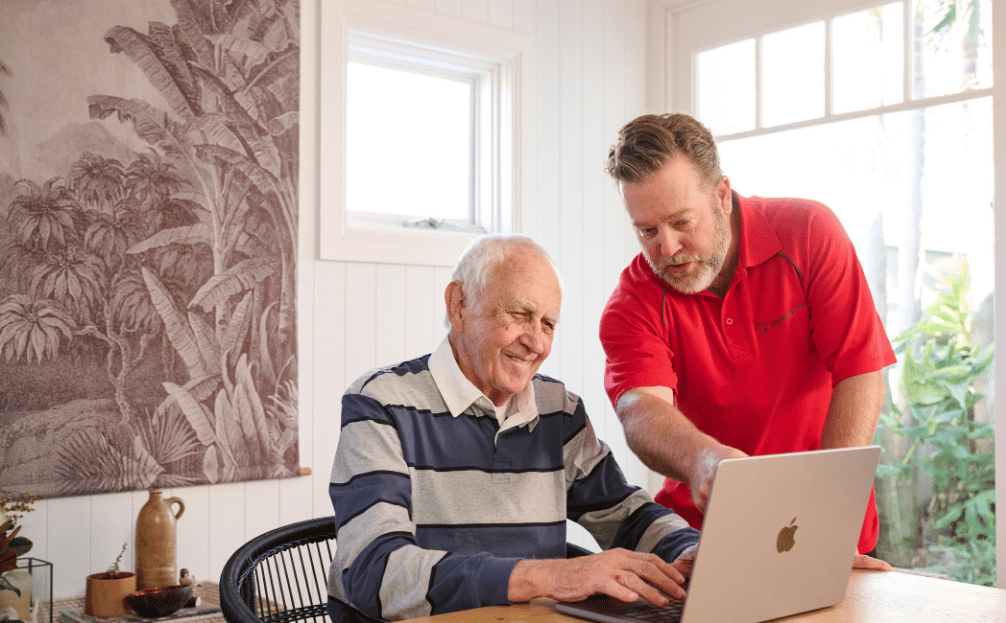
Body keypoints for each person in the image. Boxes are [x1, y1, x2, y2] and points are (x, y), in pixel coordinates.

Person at [326, 234, 700, 622]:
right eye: (520, 314)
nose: (535, 342)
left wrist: (691, 551)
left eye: (548, 323)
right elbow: (374, 573)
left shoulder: (559, 411)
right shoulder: (381, 402)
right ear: (459, 305)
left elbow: (625, 514)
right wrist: (543, 576)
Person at [599, 113, 896, 569]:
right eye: (648, 231)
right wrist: (702, 459)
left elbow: (860, 370)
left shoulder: (809, 233)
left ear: (721, 195)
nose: (669, 248)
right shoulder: (632, 302)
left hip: (833, 532)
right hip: (706, 542)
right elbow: (641, 411)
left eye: (682, 222)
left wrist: (829, 522)